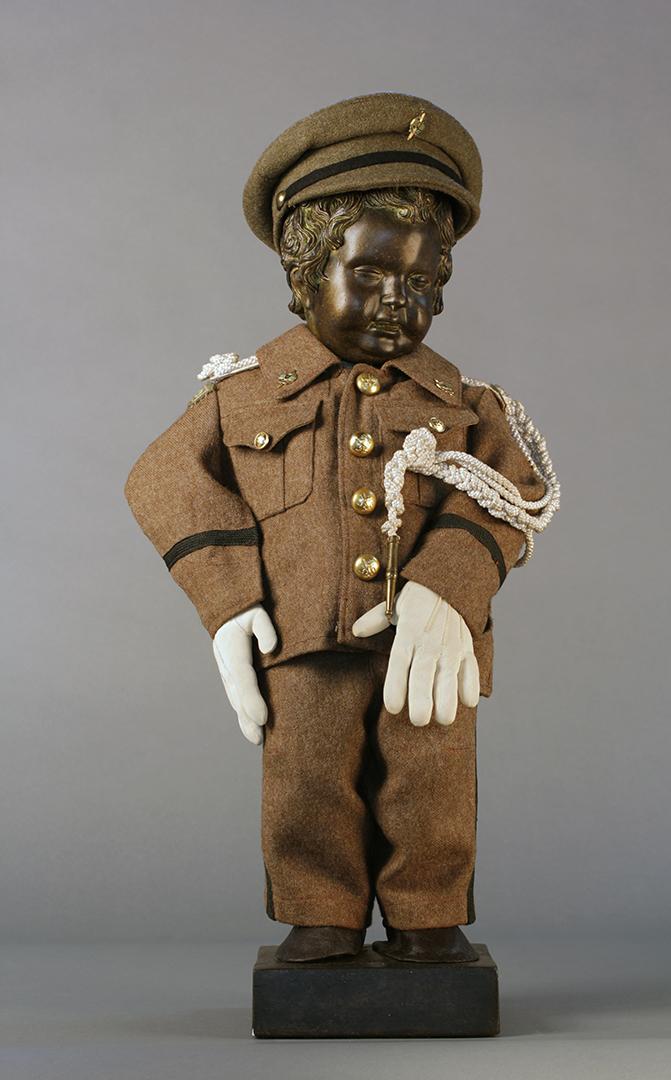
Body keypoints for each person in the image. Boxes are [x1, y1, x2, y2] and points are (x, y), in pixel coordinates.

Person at [125, 93, 554, 964]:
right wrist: (229, 602)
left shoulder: (464, 404)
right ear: (305, 270)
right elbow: (163, 477)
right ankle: (320, 917)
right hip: (301, 636)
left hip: (427, 646)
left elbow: (516, 487)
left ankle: (429, 920)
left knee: (433, 779)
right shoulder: (246, 394)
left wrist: (449, 588)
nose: (398, 302)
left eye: (421, 283)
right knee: (305, 780)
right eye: (369, 274)